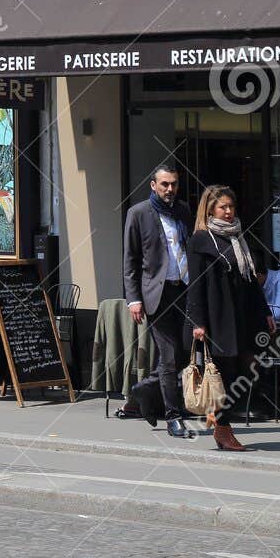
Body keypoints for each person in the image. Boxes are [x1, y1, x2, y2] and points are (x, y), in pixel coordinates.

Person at [188, 185, 276, 452]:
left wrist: (265, 311)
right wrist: (197, 322)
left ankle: (218, 418)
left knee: (247, 370)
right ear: (210, 209)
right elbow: (196, 284)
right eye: (222, 207)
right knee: (225, 374)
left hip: (243, 315)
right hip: (218, 317)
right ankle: (223, 430)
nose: (228, 212)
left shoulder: (238, 237)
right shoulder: (201, 240)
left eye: (231, 207)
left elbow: (250, 280)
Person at [122, 164, 195, 440]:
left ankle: (143, 390)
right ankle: (173, 417)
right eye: (164, 184)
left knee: (185, 353)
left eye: (174, 184)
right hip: (157, 295)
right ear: (153, 185)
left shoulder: (183, 211)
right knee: (168, 355)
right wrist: (133, 299)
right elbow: (130, 260)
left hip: (185, 290)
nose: (169, 189)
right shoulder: (138, 213)